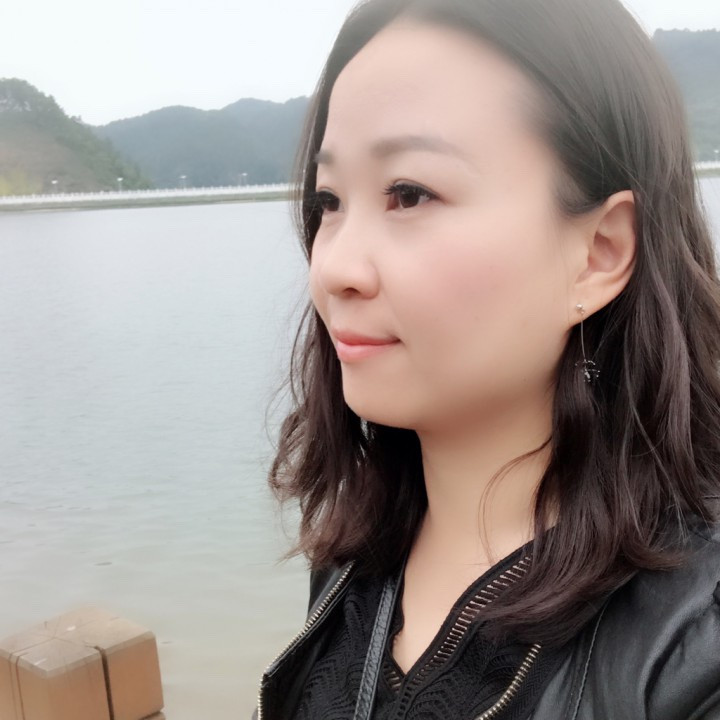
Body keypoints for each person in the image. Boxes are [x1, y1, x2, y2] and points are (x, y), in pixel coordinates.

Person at [254, 0, 720, 717]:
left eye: (409, 194)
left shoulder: (695, 646)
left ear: (599, 253)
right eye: (330, 200)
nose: (334, 267)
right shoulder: (356, 555)